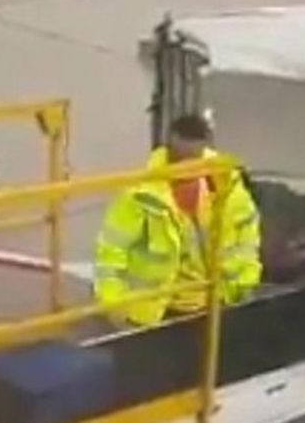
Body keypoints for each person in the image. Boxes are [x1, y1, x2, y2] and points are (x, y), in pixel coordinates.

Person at [93, 114, 262, 328]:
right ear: (169, 150)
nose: (187, 169)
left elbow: (247, 237)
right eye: (180, 160)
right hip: (157, 314)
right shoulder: (140, 195)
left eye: (194, 159)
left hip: (217, 303)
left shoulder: (227, 186)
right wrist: (113, 306)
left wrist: (244, 284)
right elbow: (110, 252)